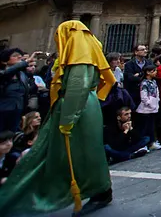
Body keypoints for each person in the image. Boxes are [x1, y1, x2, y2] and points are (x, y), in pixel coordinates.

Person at [0, 21, 115, 214]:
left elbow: (77, 87)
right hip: (84, 106)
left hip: (77, 108)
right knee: (79, 151)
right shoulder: (80, 53)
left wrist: (68, 119)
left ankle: (97, 190)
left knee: (79, 152)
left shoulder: (80, 55)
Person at [0, 49, 39, 132]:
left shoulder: (22, 75)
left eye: (20, 56)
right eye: (14, 56)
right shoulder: (3, 73)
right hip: (2, 110)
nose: (19, 57)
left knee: (11, 135)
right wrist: (26, 62)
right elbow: (7, 73)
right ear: (4, 61)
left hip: (17, 110)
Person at [135, 65, 161, 151]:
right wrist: (149, 103)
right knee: (144, 127)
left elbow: (157, 93)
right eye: (153, 71)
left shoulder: (154, 81)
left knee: (151, 126)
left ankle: (152, 142)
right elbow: (144, 97)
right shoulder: (144, 83)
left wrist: (156, 101)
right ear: (148, 72)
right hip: (145, 109)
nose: (155, 72)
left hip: (153, 108)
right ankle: (143, 144)